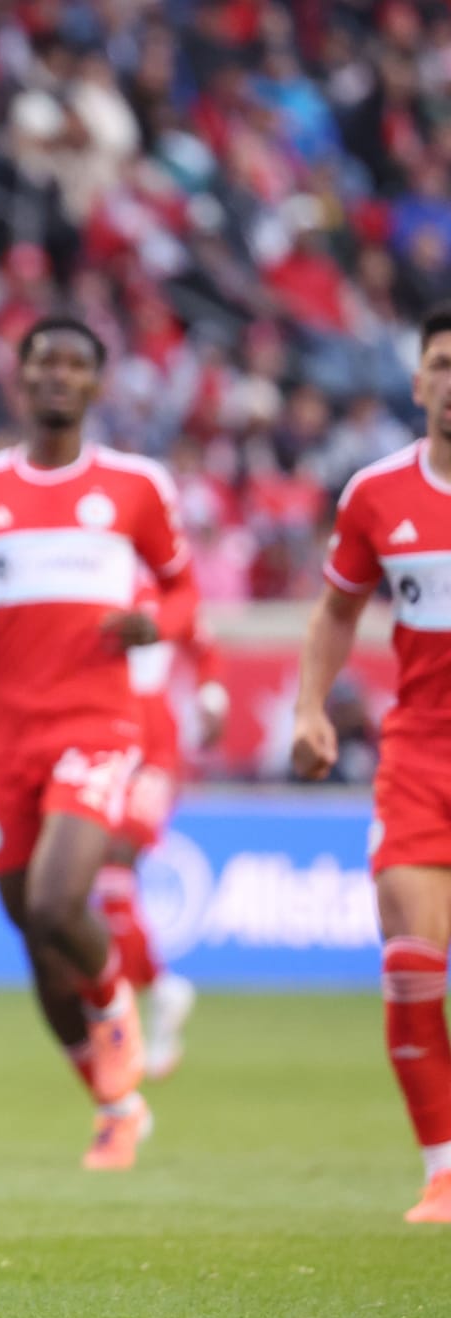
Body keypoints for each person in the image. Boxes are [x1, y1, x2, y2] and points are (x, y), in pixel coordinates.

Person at [0, 316, 195, 1171]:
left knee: (62, 902)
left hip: (97, 727)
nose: (58, 376)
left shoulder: (135, 486)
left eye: (75, 365)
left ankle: (118, 1011)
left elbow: (185, 592)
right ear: (20, 379)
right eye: (44, 362)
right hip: (5, 738)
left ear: (96, 385)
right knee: (33, 931)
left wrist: (153, 622)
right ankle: (115, 1103)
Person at [292, 303, 451, 1225]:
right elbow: (337, 611)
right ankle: (441, 1169)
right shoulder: (377, 495)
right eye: (443, 361)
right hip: (422, 753)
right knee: (412, 964)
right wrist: (312, 709)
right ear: (420, 378)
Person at [93, 579, 228, 1080]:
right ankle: (156, 992)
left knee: (115, 867)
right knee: (104, 883)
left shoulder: (164, 587)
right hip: (102, 732)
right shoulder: (95, 571)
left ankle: (135, 1006)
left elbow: (204, 644)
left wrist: (213, 699)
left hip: (151, 745)